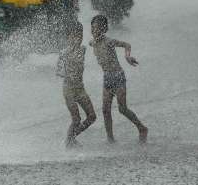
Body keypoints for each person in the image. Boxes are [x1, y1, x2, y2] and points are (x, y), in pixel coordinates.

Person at [89, 15, 148, 144]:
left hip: (118, 76)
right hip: (107, 78)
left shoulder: (109, 41)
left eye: (98, 29)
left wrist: (127, 56)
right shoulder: (92, 43)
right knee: (105, 110)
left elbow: (126, 44)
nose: (94, 32)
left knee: (122, 109)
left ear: (104, 30)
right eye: (92, 29)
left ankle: (142, 128)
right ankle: (110, 139)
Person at [56, 22, 96, 148]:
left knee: (92, 117)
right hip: (68, 89)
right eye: (75, 36)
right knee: (76, 119)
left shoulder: (83, 49)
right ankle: (69, 141)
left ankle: (71, 138)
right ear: (68, 37)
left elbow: (92, 43)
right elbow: (58, 71)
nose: (78, 38)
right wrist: (66, 73)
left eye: (80, 35)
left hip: (80, 88)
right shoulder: (63, 53)